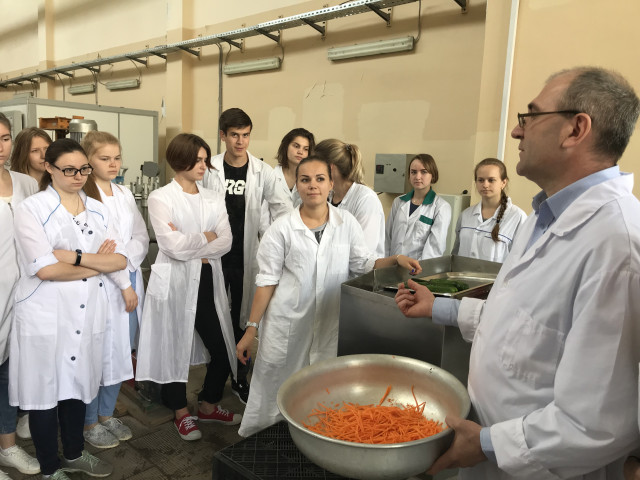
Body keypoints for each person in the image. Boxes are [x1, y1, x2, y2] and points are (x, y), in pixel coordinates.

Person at [395, 67, 640, 479]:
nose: (516, 131)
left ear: (576, 129)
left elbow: (596, 422)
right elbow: (521, 324)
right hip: (490, 450)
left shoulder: (618, 246)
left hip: (539, 467)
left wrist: (488, 444)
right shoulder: (544, 217)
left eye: (531, 116)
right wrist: (438, 308)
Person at [235, 155, 422, 437]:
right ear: (297, 186)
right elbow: (266, 282)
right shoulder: (282, 229)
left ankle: (310, 439)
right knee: (275, 385)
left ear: (331, 184)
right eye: (305, 180)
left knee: (319, 387)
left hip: (326, 323)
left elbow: (363, 263)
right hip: (288, 324)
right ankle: (267, 437)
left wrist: (395, 259)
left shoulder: (346, 223)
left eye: (320, 179)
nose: (313, 185)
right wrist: (251, 329)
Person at [11, 138, 124, 479]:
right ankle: (50, 468)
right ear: (49, 167)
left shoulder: (98, 208)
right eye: (69, 170)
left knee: (77, 386)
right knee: (44, 394)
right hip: (45, 314)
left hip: (87, 312)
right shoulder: (31, 209)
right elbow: (45, 270)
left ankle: (75, 454)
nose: (78, 177)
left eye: (84, 169)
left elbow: (119, 260)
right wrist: (96, 264)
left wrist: (72, 257)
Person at [136, 133, 240, 442]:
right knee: (174, 347)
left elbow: (226, 241)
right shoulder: (161, 198)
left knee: (222, 348)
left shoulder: (213, 197)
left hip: (207, 279)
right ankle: (181, 413)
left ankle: (208, 404)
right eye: (197, 160)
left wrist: (189, 240)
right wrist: (206, 237)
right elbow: (170, 246)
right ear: (179, 160)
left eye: (205, 160)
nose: (203, 166)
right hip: (175, 282)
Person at [201, 108, 290, 404]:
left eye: (246, 135)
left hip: (245, 259)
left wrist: (278, 244)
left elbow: (283, 210)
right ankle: (213, 379)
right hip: (213, 257)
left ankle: (240, 379)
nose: (241, 142)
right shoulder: (209, 168)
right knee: (214, 321)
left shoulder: (263, 171)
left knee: (245, 323)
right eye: (234, 135)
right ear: (223, 135)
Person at [80, 131, 149, 449]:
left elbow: (141, 235)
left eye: (117, 158)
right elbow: (98, 249)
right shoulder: (84, 197)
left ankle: (106, 414)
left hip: (129, 278)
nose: (112, 164)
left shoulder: (123, 193)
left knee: (120, 352)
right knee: (97, 355)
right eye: (104, 158)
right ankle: (89, 421)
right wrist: (122, 276)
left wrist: (126, 260)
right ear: (89, 161)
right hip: (102, 286)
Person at [0, 114, 41, 478]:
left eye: (4, 138)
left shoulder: (26, 183)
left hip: (22, 296)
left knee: (8, 375)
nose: (0, 147)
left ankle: (8, 446)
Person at [314, 139, 386, 258]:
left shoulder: (366, 199)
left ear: (330, 168)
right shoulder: (329, 196)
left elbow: (363, 252)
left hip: (360, 269)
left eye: (315, 166)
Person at [452, 158, 527, 263]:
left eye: (491, 180)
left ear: (503, 182)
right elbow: (456, 254)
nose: (485, 185)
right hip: (462, 273)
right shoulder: (466, 215)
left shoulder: (517, 217)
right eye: (481, 180)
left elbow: (521, 259)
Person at [385, 154, 451, 260]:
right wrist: (385, 263)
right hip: (392, 265)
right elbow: (387, 238)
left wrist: (415, 269)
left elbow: (434, 249)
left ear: (433, 175)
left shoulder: (441, 207)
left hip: (419, 268)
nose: (417, 177)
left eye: (423, 172)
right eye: (413, 172)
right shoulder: (398, 202)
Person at [273, 128, 315, 209]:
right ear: (286, 147)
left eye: (305, 149)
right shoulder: (271, 177)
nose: (300, 152)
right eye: (296, 146)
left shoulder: (312, 180)